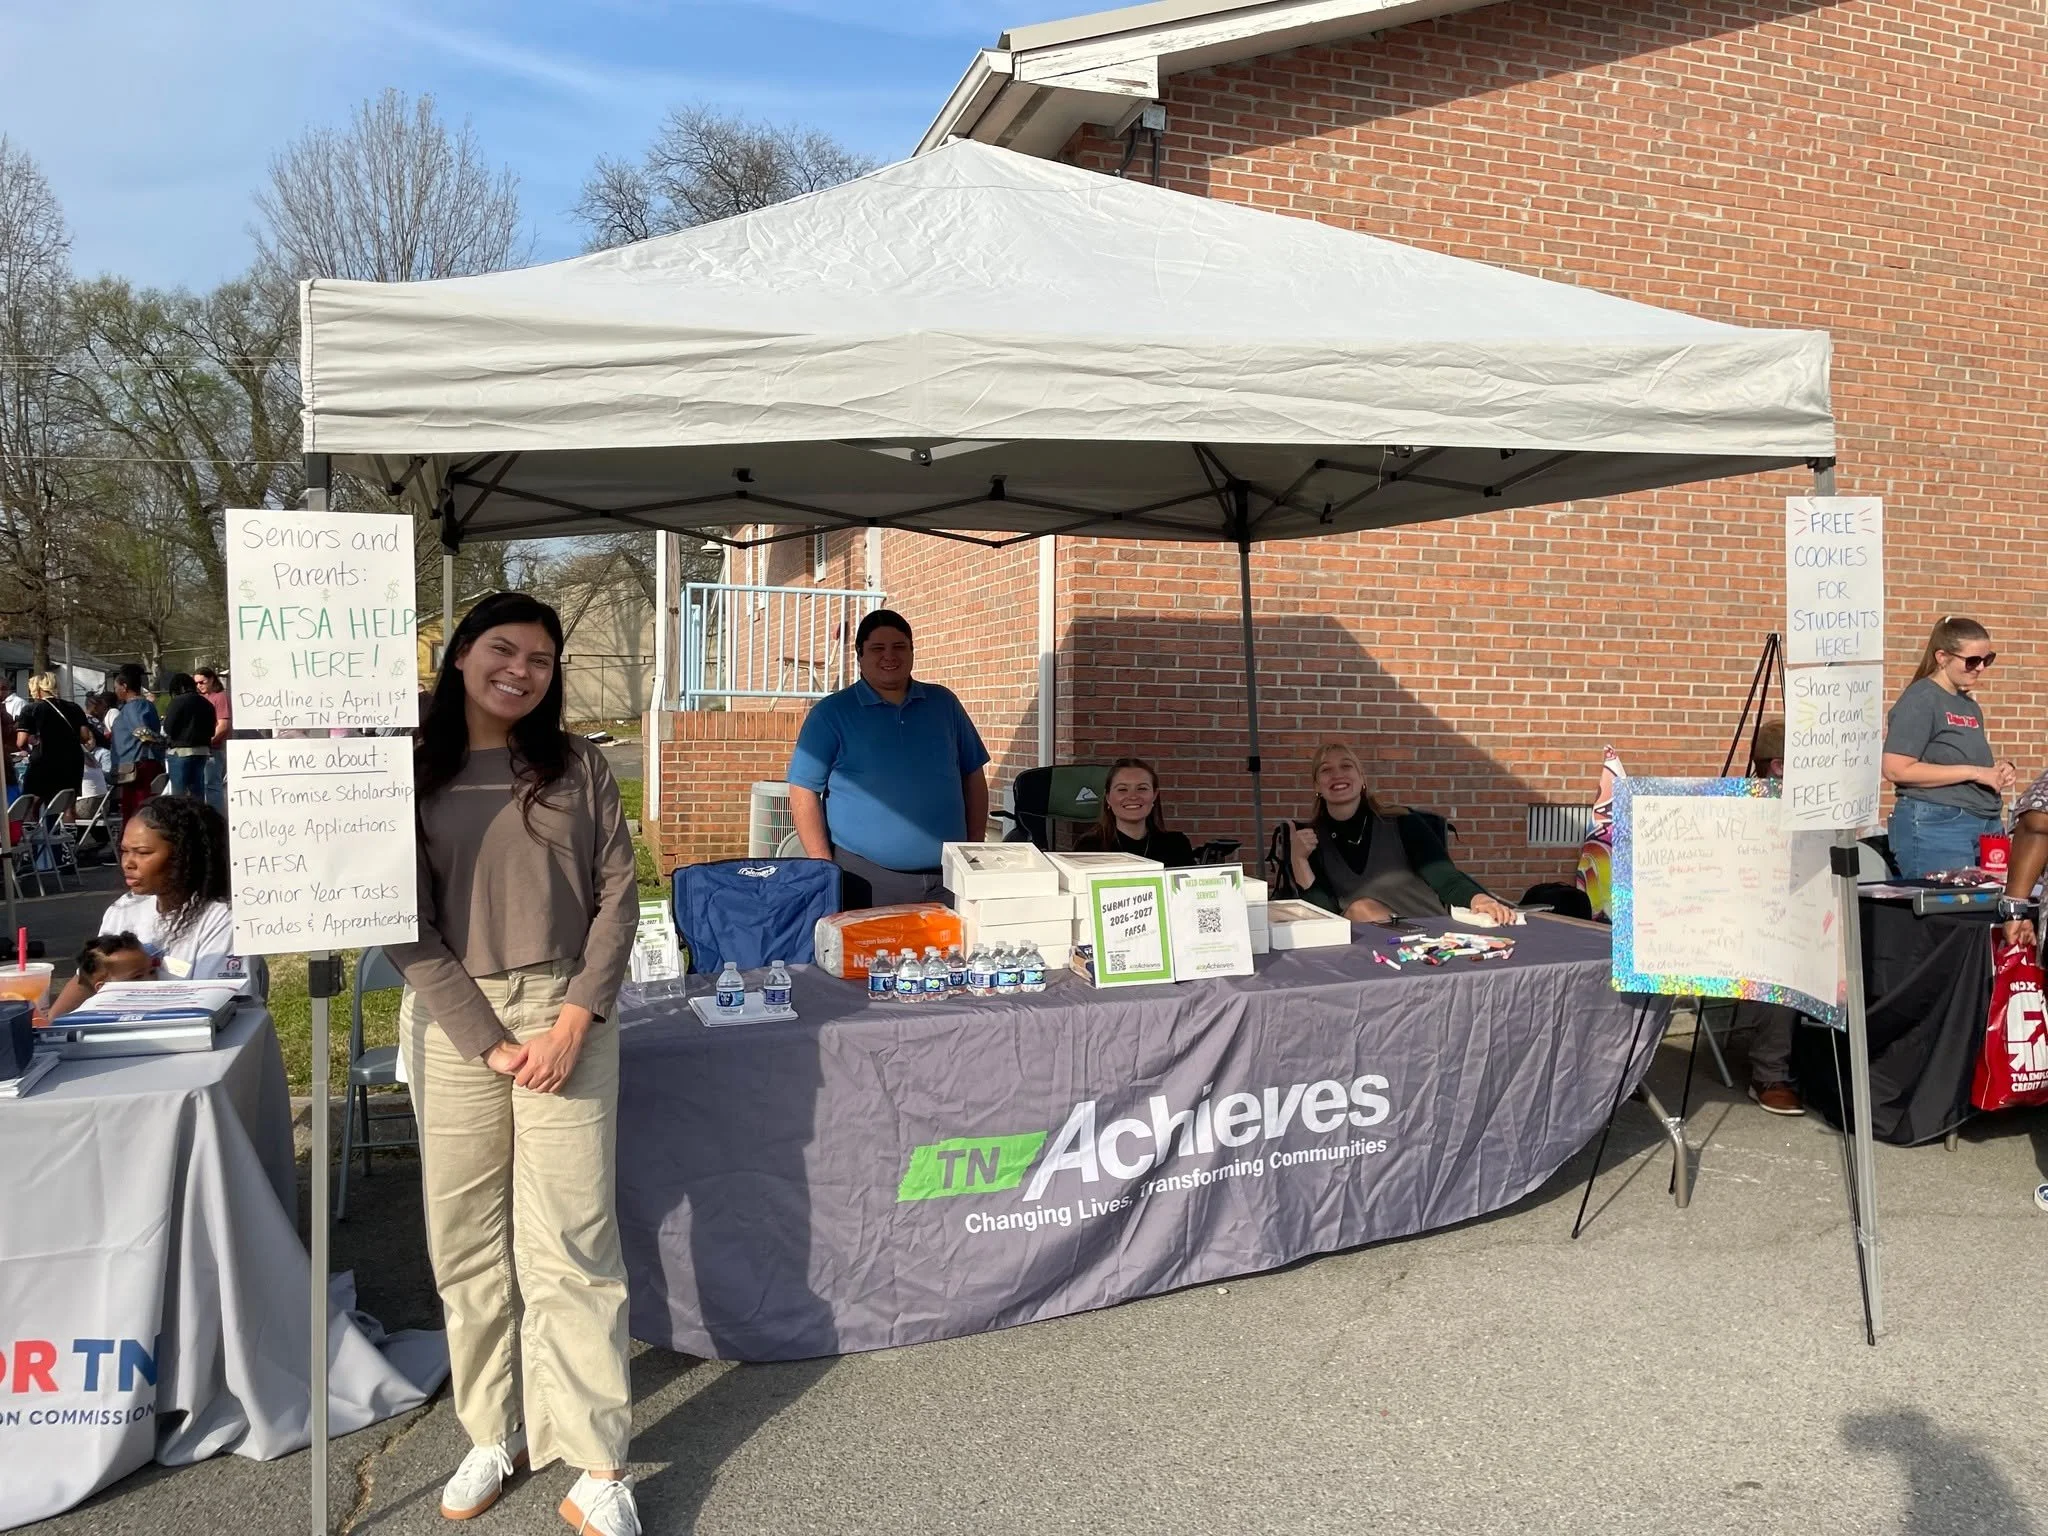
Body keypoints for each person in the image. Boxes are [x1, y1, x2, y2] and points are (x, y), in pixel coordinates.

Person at [386, 592, 641, 1534]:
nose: (522, 670)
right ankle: (494, 1427)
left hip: (566, 1010)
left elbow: (621, 894)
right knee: (467, 1244)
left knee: (573, 1242)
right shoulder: (408, 770)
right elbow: (397, 920)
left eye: (540, 658)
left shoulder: (579, 765)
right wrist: (484, 1039)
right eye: (504, 649)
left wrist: (576, 1017)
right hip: (457, 1022)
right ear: (459, 656)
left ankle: (599, 1461)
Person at [788, 609, 991, 909]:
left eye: (899, 647)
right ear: (859, 657)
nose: (889, 656)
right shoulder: (832, 714)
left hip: (948, 878)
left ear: (911, 651)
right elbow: (803, 790)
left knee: (954, 955)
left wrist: (973, 848)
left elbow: (972, 775)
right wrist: (824, 868)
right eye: (877, 649)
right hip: (866, 882)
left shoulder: (943, 704)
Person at [45, 797, 247, 1017]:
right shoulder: (123, 909)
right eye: (124, 851)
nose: (128, 863)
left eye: (143, 853)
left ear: (184, 857)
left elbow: (216, 1005)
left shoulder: (222, 919)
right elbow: (86, 980)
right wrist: (47, 1025)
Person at [1288, 742, 1515, 924]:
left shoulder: (1403, 822)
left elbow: (1446, 878)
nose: (1337, 775)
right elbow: (1324, 918)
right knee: (1362, 910)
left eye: (1346, 766)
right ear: (1317, 786)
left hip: (1430, 932)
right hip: (1369, 949)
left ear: (1362, 779)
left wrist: (1480, 899)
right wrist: (1299, 860)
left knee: (1362, 910)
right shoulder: (1311, 841)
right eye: (1326, 770)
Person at [1882, 616, 2015, 878]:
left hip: (1984, 823)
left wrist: (1998, 770)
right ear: (1942, 657)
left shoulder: (1967, 704)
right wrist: (1976, 772)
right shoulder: (1921, 698)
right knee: (1949, 913)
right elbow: (1896, 769)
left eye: (1987, 659)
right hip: (1937, 824)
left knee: (1982, 913)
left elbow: (1957, 758)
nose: (1980, 668)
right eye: (1972, 660)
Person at [1074, 757, 1197, 865]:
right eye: (1122, 789)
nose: (1133, 796)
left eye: (1142, 788)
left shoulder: (1176, 845)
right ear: (1108, 798)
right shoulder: (1089, 847)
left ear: (1154, 795)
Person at [16, 673, 88, 810]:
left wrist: (30, 746)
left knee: (33, 800)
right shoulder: (74, 707)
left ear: (36, 689)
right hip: (72, 761)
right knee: (68, 805)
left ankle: (31, 829)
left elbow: (21, 742)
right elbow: (85, 736)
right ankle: (68, 831)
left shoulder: (31, 709)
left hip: (43, 761)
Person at [48, 933, 154, 1019]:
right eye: (137, 977)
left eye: (152, 972)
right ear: (103, 988)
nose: (151, 981)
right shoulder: (91, 1018)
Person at [108, 664, 165, 823]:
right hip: (144, 763)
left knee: (136, 811)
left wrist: (164, 742)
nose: (115, 691)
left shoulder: (134, 706)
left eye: (116, 687)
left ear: (124, 687)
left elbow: (142, 732)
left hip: (138, 767)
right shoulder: (145, 705)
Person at [161, 673, 216, 800]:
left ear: (178, 688)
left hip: (180, 752)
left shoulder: (177, 702)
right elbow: (212, 731)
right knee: (198, 792)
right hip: (202, 751)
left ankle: (181, 819)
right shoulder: (206, 703)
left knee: (179, 795)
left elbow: (168, 728)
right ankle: (199, 817)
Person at [196, 666, 230, 812]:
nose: (199, 686)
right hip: (201, 748)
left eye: (202, 682)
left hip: (214, 749)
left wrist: (208, 741)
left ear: (211, 680)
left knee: (212, 785)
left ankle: (217, 819)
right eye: (196, 683)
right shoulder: (202, 698)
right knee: (202, 785)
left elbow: (223, 725)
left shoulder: (219, 696)